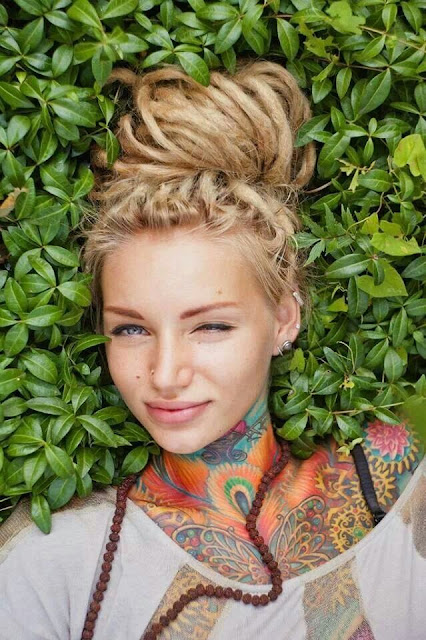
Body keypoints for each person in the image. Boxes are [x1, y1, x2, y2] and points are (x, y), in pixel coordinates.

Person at [0, 59, 424, 640]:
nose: (165, 374)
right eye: (131, 330)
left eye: (210, 327)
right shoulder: (57, 556)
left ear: (284, 318)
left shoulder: (400, 475)